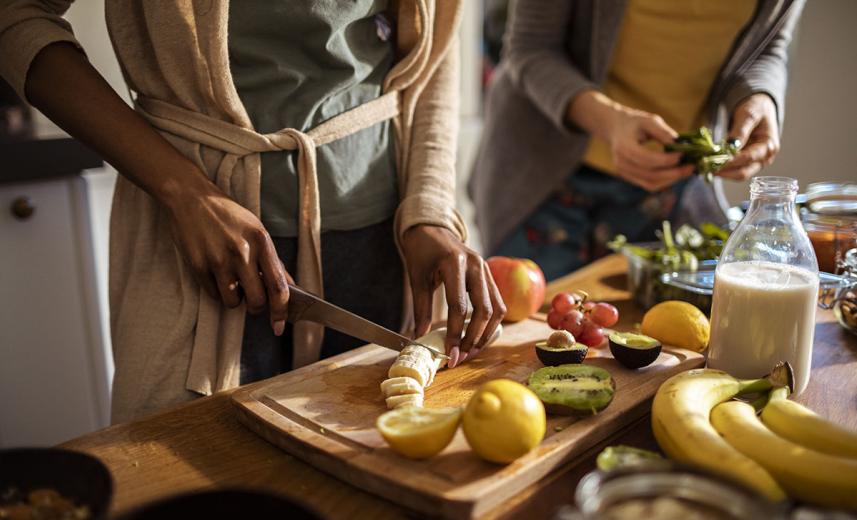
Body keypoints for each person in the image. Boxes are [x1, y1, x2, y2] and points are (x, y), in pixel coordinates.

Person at [0, 0, 505, 422]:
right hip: (197, 251)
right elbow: (15, 14)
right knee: (187, 482)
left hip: (384, 247)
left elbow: (436, 47)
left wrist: (429, 210)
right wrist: (184, 192)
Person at [470, 0, 805, 281]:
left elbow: (768, 47)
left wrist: (760, 98)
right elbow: (530, 47)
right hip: (542, 176)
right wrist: (610, 122)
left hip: (671, 187)